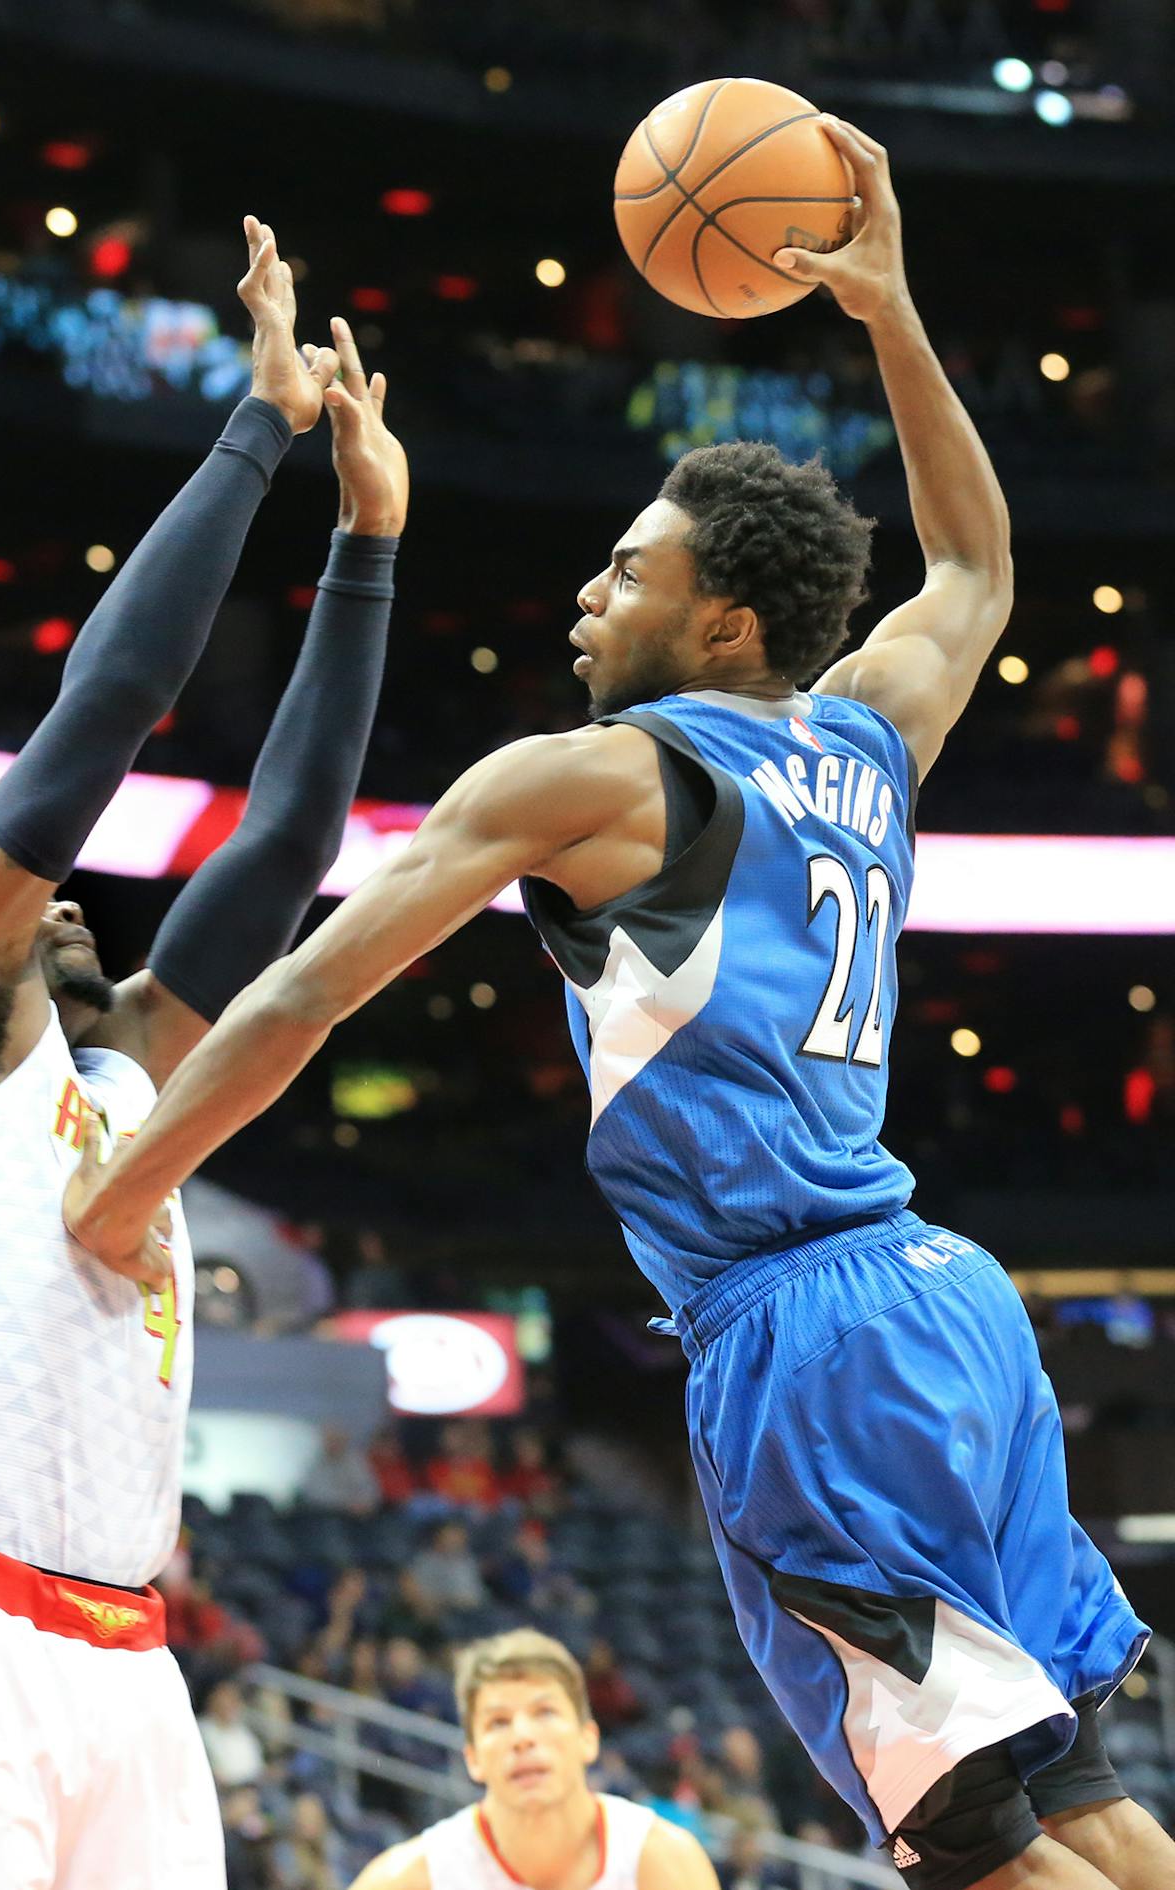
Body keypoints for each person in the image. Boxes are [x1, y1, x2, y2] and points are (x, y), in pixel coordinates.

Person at [65, 123, 1171, 1890]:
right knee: (1087, 1807)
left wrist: (123, 1193)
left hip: (800, 1340)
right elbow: (973, 575)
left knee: (968, 1850)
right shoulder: (862, 737)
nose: (588, 592)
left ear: (725, 626)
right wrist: (886, 311)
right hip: (948, 1310)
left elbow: (307, 993)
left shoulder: (589, 778)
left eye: (628, 570)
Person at [0, 220, 409, 1890]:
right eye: (46, 899)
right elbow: (94, 728)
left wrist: (367, 540)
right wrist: (257, 432)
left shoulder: (121, 1071)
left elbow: (282, 845)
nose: (71, 916)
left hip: (125, 1659)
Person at [344, 1629, 717, 1890]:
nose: (522, 1737)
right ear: (472, 1758)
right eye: (498, 1721)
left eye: (544, 1713)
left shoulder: (662, 1860)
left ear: (588, 1739)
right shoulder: (409, 1880)